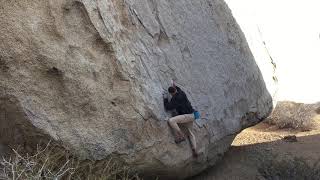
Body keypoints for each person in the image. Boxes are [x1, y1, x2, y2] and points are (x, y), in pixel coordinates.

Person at [163, 82, 198, 157]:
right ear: (175, 90)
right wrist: (175, 85)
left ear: (171, 93)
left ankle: (181, 136)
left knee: (171, 121)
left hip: (186, 116)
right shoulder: (182, 93)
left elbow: (168, 107)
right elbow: (178, 89)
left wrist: (165, 98)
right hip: (192, 115)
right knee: (190, 133)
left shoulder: (175, 99)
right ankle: (194, 149)